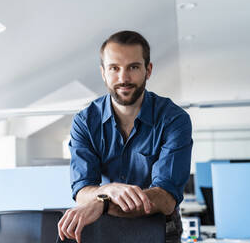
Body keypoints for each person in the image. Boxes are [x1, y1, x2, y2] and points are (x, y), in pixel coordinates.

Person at [57, 30, 193, 243]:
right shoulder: (84, 122)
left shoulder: (174, 119)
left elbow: (166, 199)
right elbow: (81, 191)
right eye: (114, 68)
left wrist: (102, 202)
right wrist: (108, 190)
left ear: (148, 70)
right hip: (104, 227)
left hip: (161, 229)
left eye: (133, 67)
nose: (124, 78)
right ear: (103, 72)